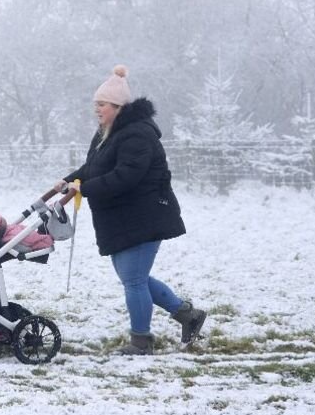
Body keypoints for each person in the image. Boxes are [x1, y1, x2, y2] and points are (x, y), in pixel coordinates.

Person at [56, 65, 207, 355]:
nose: (96, 109)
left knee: (134, 280)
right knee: (134, 278)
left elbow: (126, 176)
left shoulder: (138, 134)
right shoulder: (106, 132)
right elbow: (93, 168)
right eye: (96, 104)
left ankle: (141, 341)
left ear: (118, 106)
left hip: (146, 215)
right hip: (123, 217)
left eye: (101, 104)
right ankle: (189, 316)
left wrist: (84, 189)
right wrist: (70, 180)